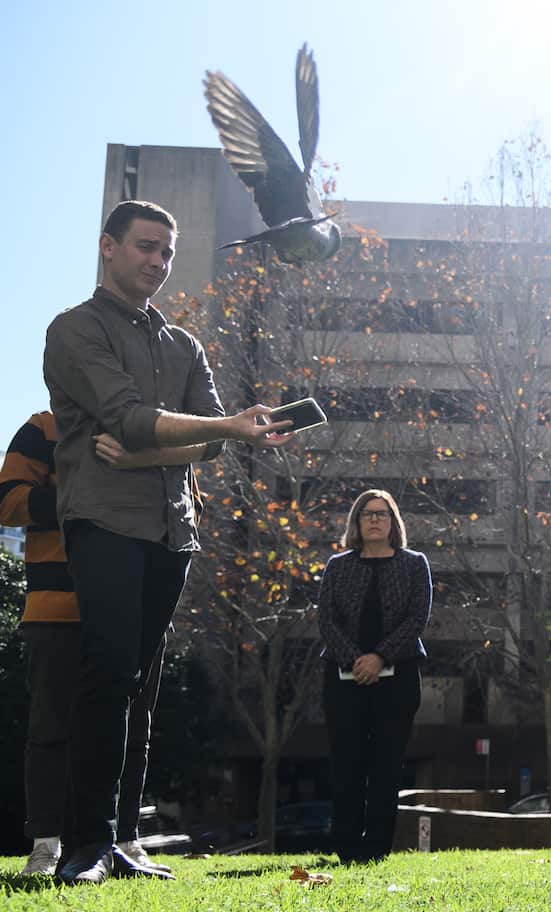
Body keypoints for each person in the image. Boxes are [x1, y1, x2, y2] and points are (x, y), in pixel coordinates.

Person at [42, 199, 293, 884]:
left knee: (143, 689)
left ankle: (124, 841)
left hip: (173, 529)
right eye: (145, 247)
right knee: (109, 670)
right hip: (104, 520)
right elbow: (126, 416)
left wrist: (158, 455)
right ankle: (84, 847)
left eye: (167, 253)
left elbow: (209, 442)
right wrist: (217, 431)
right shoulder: (74, 331)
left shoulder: (184, 345)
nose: (157, 262)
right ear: (108, 247)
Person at [0, 411, 188, 876]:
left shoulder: (153, 432)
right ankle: (47, 845)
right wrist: (87, 496)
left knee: (134, 730)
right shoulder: (43, 428)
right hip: (57, 605)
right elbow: (7, 502)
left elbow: (184, 506)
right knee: (50, 730)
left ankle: (125, 839)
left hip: (140, 612)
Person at [317, 489, 431, 864]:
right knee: (346, 761)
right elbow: (326, 620)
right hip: (342, 678)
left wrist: (379, 657)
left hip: (398, 679)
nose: (375, 520)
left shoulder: (414, 564)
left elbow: (417, 619)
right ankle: (346, 845)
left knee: (386, 764)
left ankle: (377, 847)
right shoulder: (338, 565)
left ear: (393, 521)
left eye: (382, 514)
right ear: (357, 522)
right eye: (367, 514)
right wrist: (356, 660)